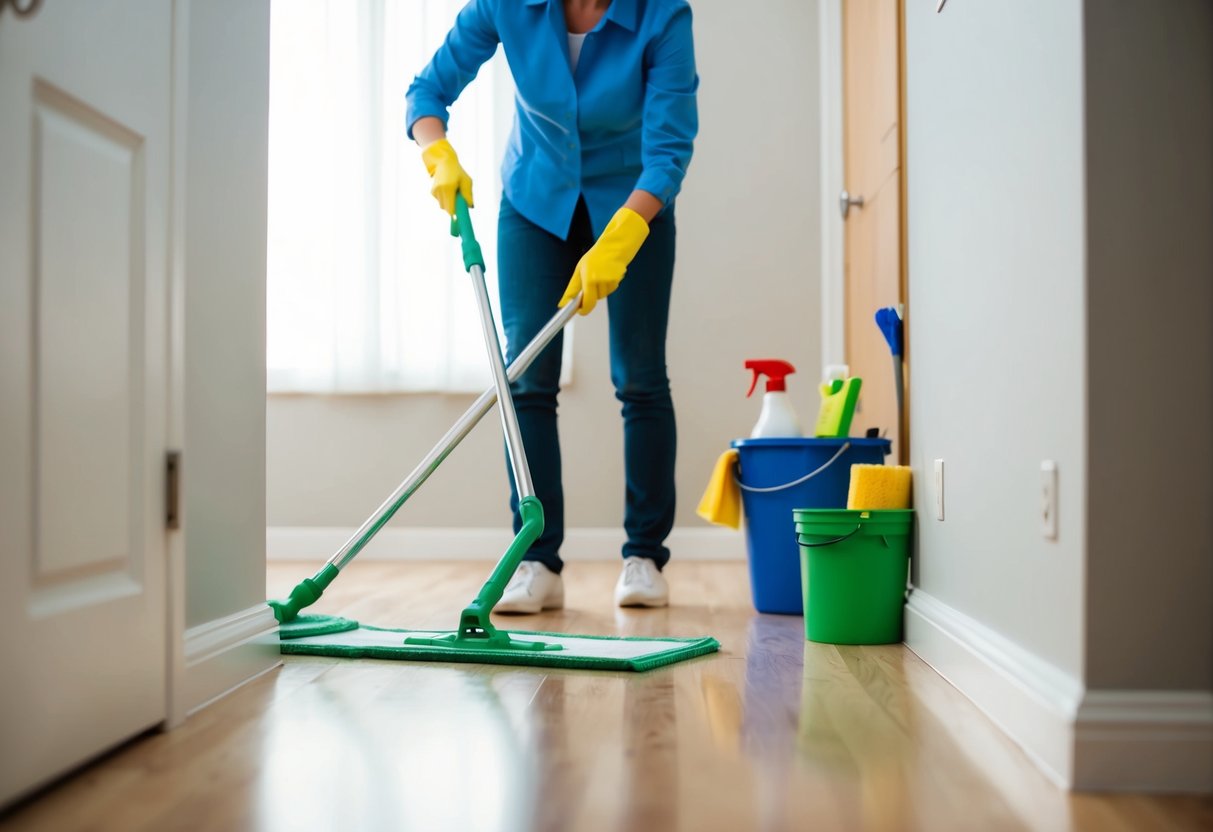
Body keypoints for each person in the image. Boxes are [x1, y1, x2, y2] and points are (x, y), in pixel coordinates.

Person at [406, 0, 697, 612]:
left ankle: (644, 556)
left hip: (632, 206)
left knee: (640, 377)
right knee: (527, 379)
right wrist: (438, 154)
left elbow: (669, 149)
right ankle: (535, 558)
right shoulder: (505, 4)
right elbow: (428, 91)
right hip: (536, 201)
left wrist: (621, 238)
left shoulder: (662, 15)